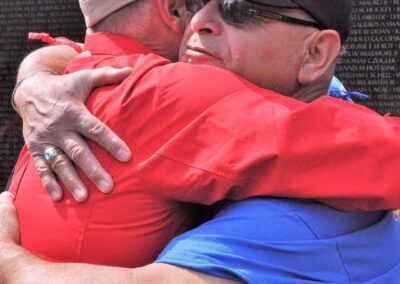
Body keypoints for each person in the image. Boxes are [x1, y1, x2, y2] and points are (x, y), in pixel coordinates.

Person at [4, 0, 400, 282]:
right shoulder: (174, 91)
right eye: (198, 3)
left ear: (316, 54)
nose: (200, 21)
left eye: (238, 9)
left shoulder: (84, 81)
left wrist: (9, 260)